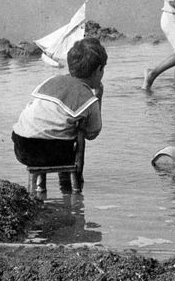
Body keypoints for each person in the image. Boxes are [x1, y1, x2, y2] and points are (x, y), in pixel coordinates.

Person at [12, 37, 107, 192]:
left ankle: (40, 188)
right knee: (78, 132)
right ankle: (71, 190)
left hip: (22, 146)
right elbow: (93, 133)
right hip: (53, 152)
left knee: (59, 126)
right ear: (98, 70)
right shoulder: (88, 99)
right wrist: (99, 96)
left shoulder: (52, 81)